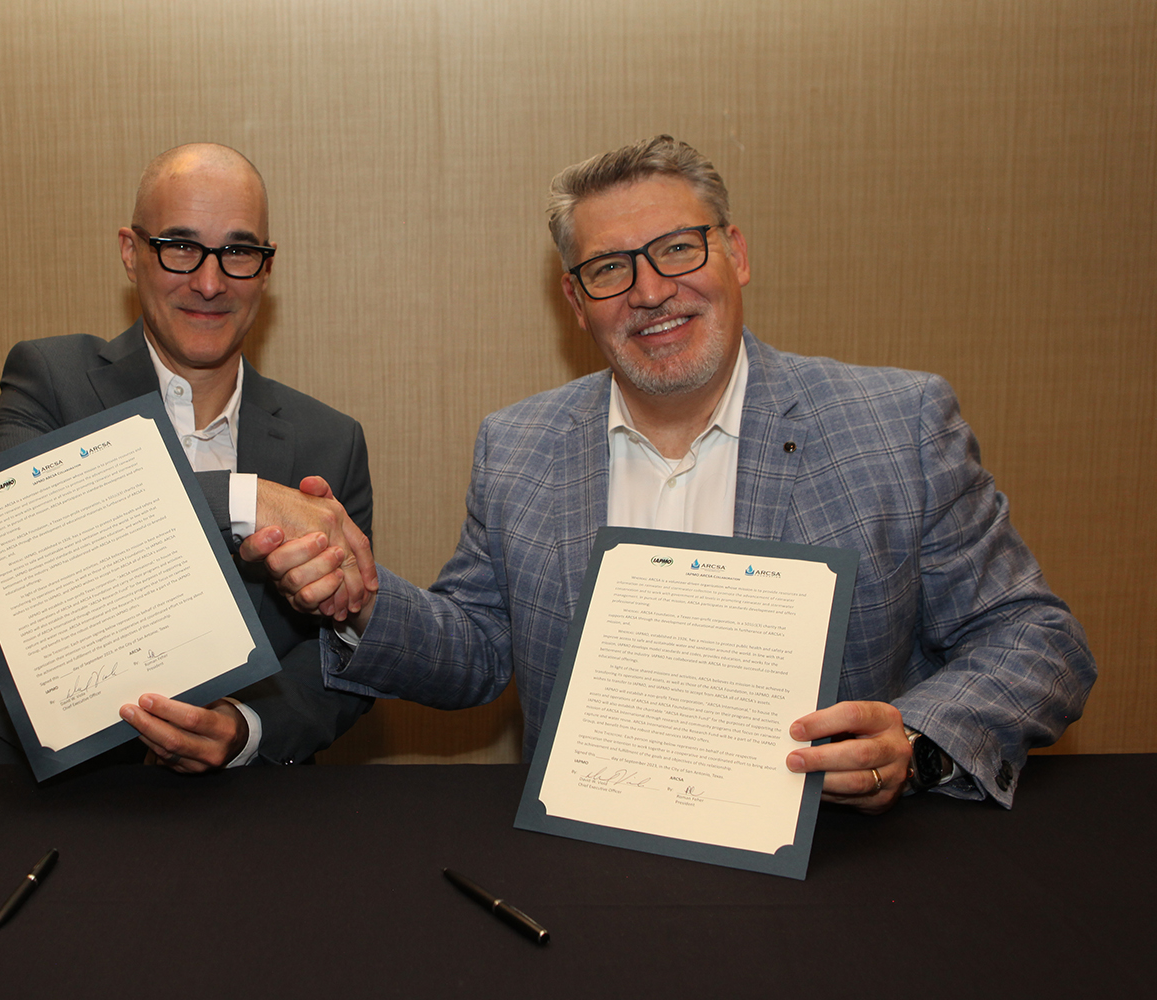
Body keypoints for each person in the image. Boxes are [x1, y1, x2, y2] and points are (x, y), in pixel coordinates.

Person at [248, 135, 1096, 812]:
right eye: (611, 269)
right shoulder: (518, 446)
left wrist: (911, 743)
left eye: (678, 250)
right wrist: (358, 599)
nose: (650, 292)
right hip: (587, 868)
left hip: (837, 870)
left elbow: (1037, 641)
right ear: (577, 304)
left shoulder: (897, 424)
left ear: (735, 254)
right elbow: (477, 649)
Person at [0, 143, 376, 773]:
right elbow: (18, 537)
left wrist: (247, 727)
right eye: (180, 246)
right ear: (132, 252)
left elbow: (344, 654)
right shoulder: (51, 379)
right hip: (40, 794)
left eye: (237, 251)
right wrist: (245, 498)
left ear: (265, 268)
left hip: (241, 810)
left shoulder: (329, 441)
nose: (209, 283)